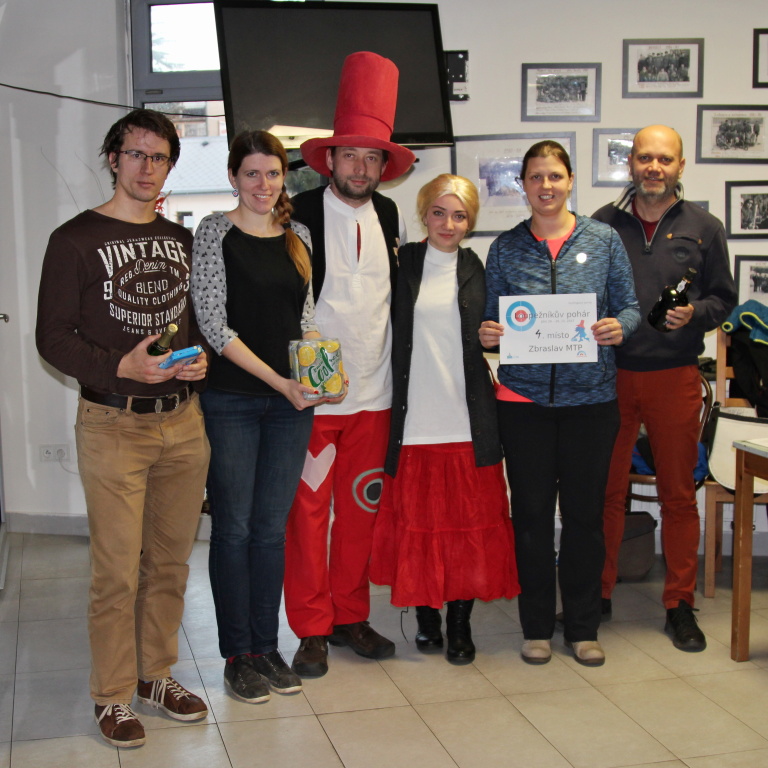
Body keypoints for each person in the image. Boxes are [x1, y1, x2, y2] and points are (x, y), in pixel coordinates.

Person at [36, 109, 210, 748]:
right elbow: (51, 337)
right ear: (113, 159)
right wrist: (119, 365)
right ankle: (111, 694)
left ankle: (154, 676)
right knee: (116, 571)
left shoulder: (181, 240)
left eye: (159, 157)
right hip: (113, 424)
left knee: (169, 564)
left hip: (182, 424)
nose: (147, 167)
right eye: (136, 154)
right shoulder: (73, 240)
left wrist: (201, 361)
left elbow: (193, 324)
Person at [480, 140, 640, 667]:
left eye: (554, 176)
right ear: (523, 185)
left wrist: (620, 327)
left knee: (584, 518)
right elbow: (490, 317)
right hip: (522, 402)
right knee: (529, 517)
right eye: (535, 177)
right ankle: (535, 627)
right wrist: (488, 332)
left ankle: (582, 627)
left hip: (591, 403)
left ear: (569, 180)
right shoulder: (505, 247)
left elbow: (630, 307)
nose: (545, 186)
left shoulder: (603, 239)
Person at [191, 130, 337, 703]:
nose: (263, 184)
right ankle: (237, 655)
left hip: (289, 406)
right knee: (233, 528)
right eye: (251, 173)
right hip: (231, 400)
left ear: (283, 177)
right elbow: (214, 323)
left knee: (271, 531)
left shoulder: (299, 236)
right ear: (233, 177)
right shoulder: (214, 232)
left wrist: (322, 372)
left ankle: (266, 646)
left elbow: (305, 318)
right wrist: (280, 382)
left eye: (272, 173)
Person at [284, 51, 416, 678]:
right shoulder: (299, 215)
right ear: (329, 159)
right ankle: (310, 626)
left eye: (372, 158)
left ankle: (349, 615)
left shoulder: (388, 215)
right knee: (309, 516)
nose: (361, 168)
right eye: (351, 156)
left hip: (375, 394)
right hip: (316, 396)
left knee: (361, 512)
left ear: (383, 168)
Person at [593, 125, 737, 652]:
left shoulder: (705, 227)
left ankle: (679, 603)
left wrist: (694, 313)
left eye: (665, 159)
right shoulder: (602, 224)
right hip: (610, 377)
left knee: (678, 495)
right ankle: (597, 594)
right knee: (605, 492)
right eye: (644, 157)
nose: (654, 167)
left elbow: (724, 299)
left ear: (680, 166)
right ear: (630, 163)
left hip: (675, 377)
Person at [370, 174, 520, 664]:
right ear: (424, 215)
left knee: (468, 531)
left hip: (467, 419)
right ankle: (427, 617)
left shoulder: (478, 268)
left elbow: (505, 328)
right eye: (439, 213)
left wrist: (497, 336)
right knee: (419, 527)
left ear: (469, 221)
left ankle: (459, 624)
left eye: (459, 215)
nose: (448, 224)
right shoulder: (402, 264)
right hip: (414, 420)